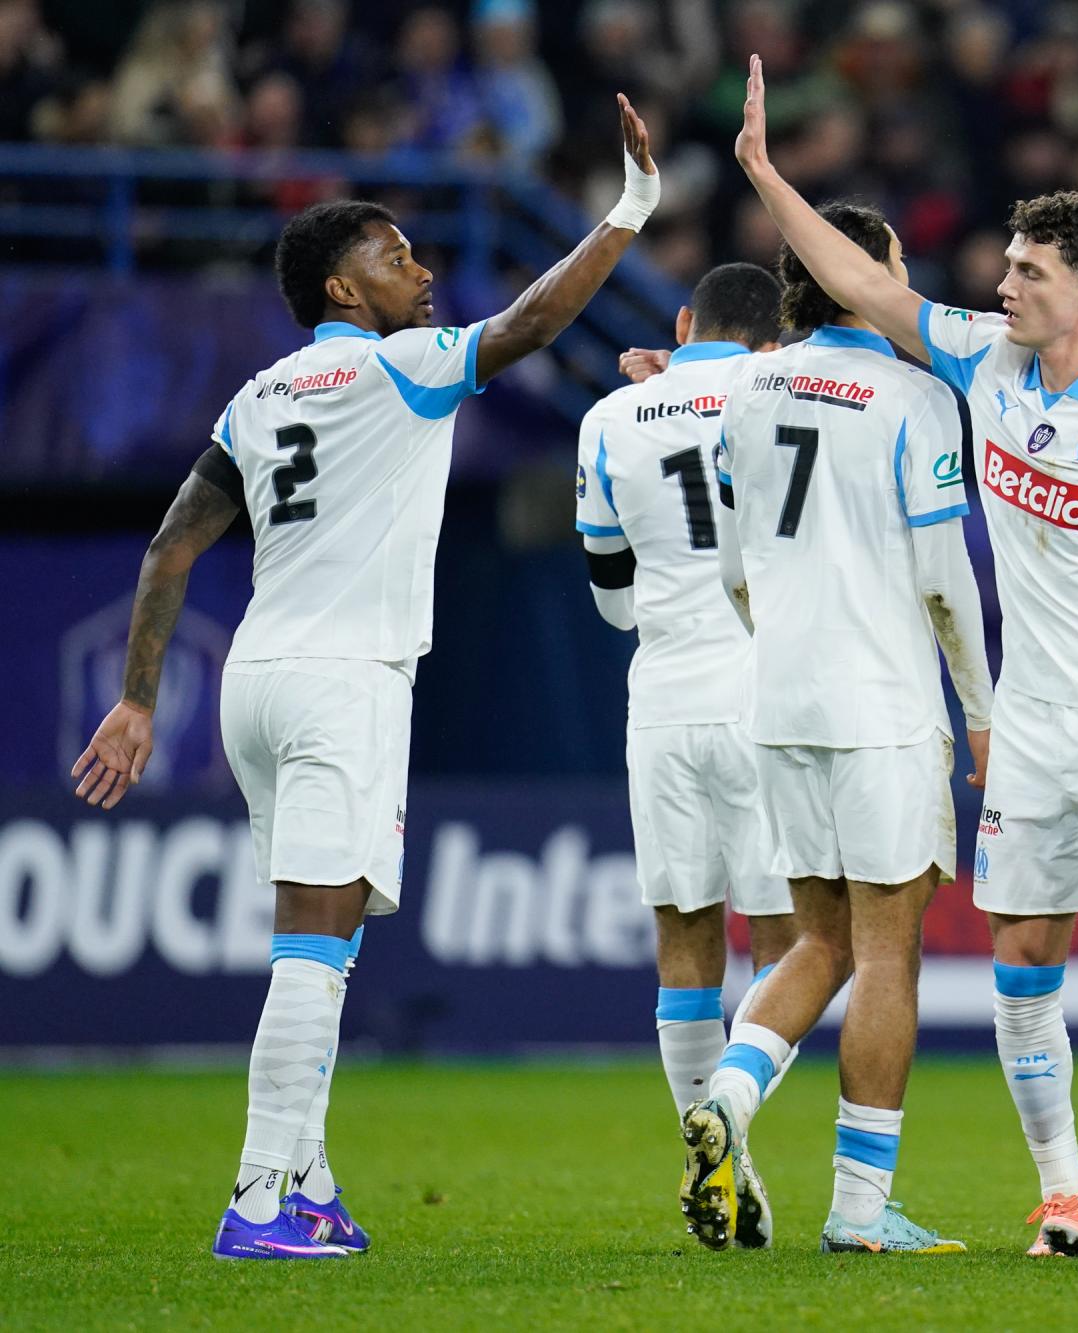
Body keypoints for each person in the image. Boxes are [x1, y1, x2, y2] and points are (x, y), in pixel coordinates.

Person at [68, 95, 663, 1261]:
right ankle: (255, 1199)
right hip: (345, 680)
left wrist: (139, 697)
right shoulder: (404, 368)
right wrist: (633, 207)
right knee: (313, 947)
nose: (422, 269)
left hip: (255, 681)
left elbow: (168, 549)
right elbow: (532, 325)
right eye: (395, 256)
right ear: (345, 291)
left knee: (319, 944)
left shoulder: (258, 397)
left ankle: (316, 1186)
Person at [729, 56, 1078, 1259]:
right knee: (1022, 954)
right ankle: (1058, 1188)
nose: (1001, 283)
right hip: (1027, 719)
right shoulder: (981, 360)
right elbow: (858, 278)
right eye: (1005, 265)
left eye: (1029, 271)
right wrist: (764, 173)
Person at [677, 200, 995, 1257]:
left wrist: (776, 643)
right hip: (879, 704)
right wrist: (981, 713)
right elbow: (945, 583)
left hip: (777, 696)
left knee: (817, 940)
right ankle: (860, 1212)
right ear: (869, 275)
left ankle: (727, 1090)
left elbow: (728, 566)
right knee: (884, 953)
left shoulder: (745, 388)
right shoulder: (915, 397)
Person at [575, 261, 798, 1247]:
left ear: (680, 320)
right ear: (771, 337)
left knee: (683, 945)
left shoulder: (609, 418)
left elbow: (608, 592)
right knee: (795, 946)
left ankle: (720, 1168)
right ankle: (733, 1126)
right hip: (764, 687)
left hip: (659, 693)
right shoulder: (780, 390)